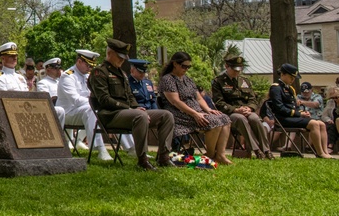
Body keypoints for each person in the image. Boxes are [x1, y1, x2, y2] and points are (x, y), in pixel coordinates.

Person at [89, 39, 175, 170]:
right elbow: (104, 99)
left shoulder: (122, 73)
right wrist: (130, 109)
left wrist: (135, 107)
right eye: (119, 57)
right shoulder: (99, 73)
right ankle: (143, 160)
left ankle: (164, 156)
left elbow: (130, 96)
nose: (122, 60)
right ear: (110, 53)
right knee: (140, 116)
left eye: (124, 58)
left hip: (128, 113)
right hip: (110, 115)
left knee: (166, 115)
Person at [157, 50, 232, 165]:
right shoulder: (168, 79)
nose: (186, 69)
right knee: (214, 122)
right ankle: (210, 155)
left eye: (188, 67)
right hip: (179, 114)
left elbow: (199, 98)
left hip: (197, 111)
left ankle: (220, 155)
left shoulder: (188, 79)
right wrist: (195, 114)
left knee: (225, 118)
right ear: (175, 64)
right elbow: (175, 101)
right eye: (183, 66)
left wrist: (208, 110)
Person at [59, 49, 122, 160]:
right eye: (88, 65)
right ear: (79, 61)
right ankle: (100, 149)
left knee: (114, 108)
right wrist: (97, 104)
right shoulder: (67, 76)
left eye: (92, 66)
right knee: (90, 109)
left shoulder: (88, 76)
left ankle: (132, 148)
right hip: (69, 113)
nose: (90, 68)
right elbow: (76, 100)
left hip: (86, 112)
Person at [210, 54, 272, 159]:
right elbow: (219, 102)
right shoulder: (218, 81)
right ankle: (257, 151)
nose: (237, 72)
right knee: (241, 119)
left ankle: (267, 150)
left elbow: (253, 99)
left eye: (239, 70)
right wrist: (236, 110)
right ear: (226, 66)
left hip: (246, 111)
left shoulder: (245, 81)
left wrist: (250, 108)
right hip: (230, 114)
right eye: (234, 69)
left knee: (255, 118)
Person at [267, 63, 331, 158]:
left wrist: (302, 113)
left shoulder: (290, 89)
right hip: (283, 119)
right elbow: (279, 108)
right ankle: (320, 153)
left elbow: (294, 106)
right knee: (314, 124)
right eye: (291, 77)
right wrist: (298, 114)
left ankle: (325, 152)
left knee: (321, 124)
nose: (293, 80)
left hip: (292, 117)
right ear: (283, 74)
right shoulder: (276, 88)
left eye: (294, 78)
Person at [35, 57, 66, 132]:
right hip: (52, 110)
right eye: (56, 68)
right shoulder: (43, 83)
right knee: (61, 110)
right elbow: (45, 101)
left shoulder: (61, 82)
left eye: (59, 68)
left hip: (64, 108)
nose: (58, 70)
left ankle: (72, 140)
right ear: (48, 69)